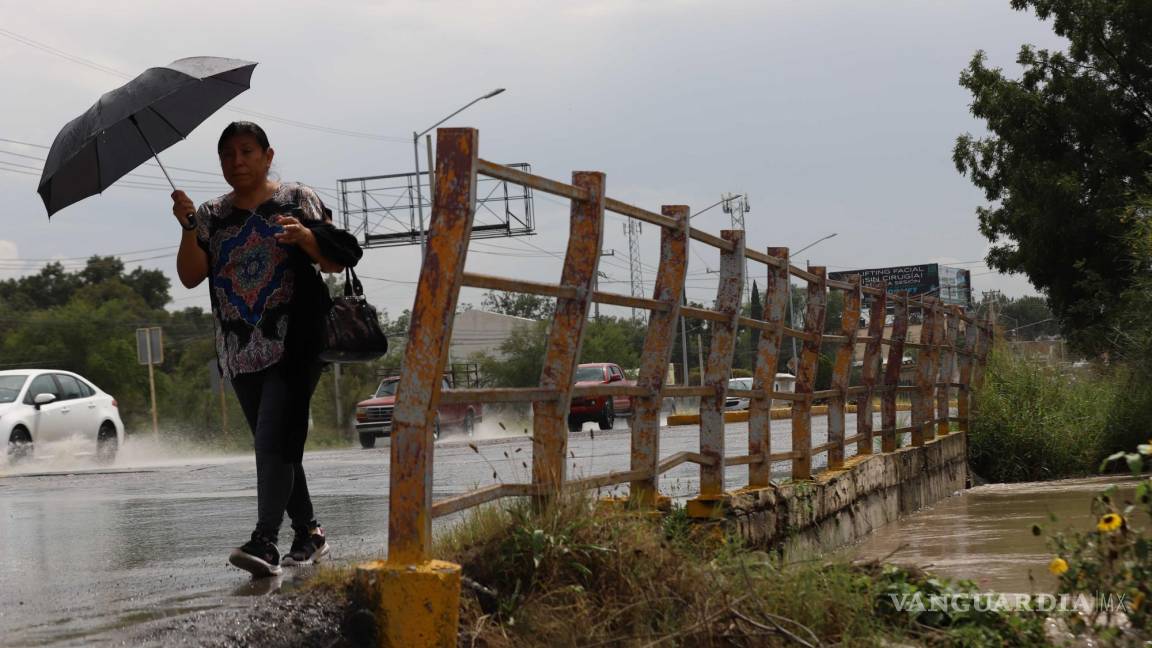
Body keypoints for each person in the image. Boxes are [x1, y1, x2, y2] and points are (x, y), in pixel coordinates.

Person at [171, 121, 361, 578]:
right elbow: (191, 275)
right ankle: (310, 534)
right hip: (238, 347)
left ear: (268, 155)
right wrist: (187, 226)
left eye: (246, 151)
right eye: (227, 155)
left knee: (273, 438)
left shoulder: (297, 199)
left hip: (296, 342)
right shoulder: (213, 215)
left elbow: (336, 259)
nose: (237, 162)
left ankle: (265, 541)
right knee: (278, 444)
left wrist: (307, 238)